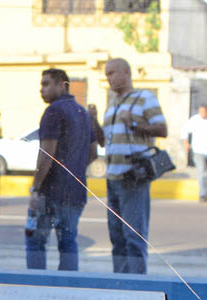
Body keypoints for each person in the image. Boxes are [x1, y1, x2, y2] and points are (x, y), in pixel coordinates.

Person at [92, 58, 168, 274]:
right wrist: (95, 121)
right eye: (106, 74)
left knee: (134, 237)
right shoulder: (113, 104)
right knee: (117, 238)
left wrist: (132, 123)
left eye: (112, 73)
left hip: (133, 177)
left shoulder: (145, 98)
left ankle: (137, 288)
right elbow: (104, 142)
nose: (109, 78)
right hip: (112, 177)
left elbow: (162, 130)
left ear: (126, 72)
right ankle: (121, 285)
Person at [26, 68, 97, 271]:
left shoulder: (53, 111)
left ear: (62, 85)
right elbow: (93, 153)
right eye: (41, 85)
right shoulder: (82, 112)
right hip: (75, 192)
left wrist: (36, 188)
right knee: (68, 244)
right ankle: (67, 289)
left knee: (35, 242)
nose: (42, 90)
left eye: (46, 84)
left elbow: (47, 153)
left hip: (51, 192)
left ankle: (36, 288)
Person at [181, 104, 207, 203]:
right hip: (198, 150)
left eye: (204, 112)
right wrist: (186, 143)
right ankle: (202, 194)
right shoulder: (194, 120)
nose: (202, 114)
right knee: (202, 172)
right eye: (200, 112)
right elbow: (184, 130)